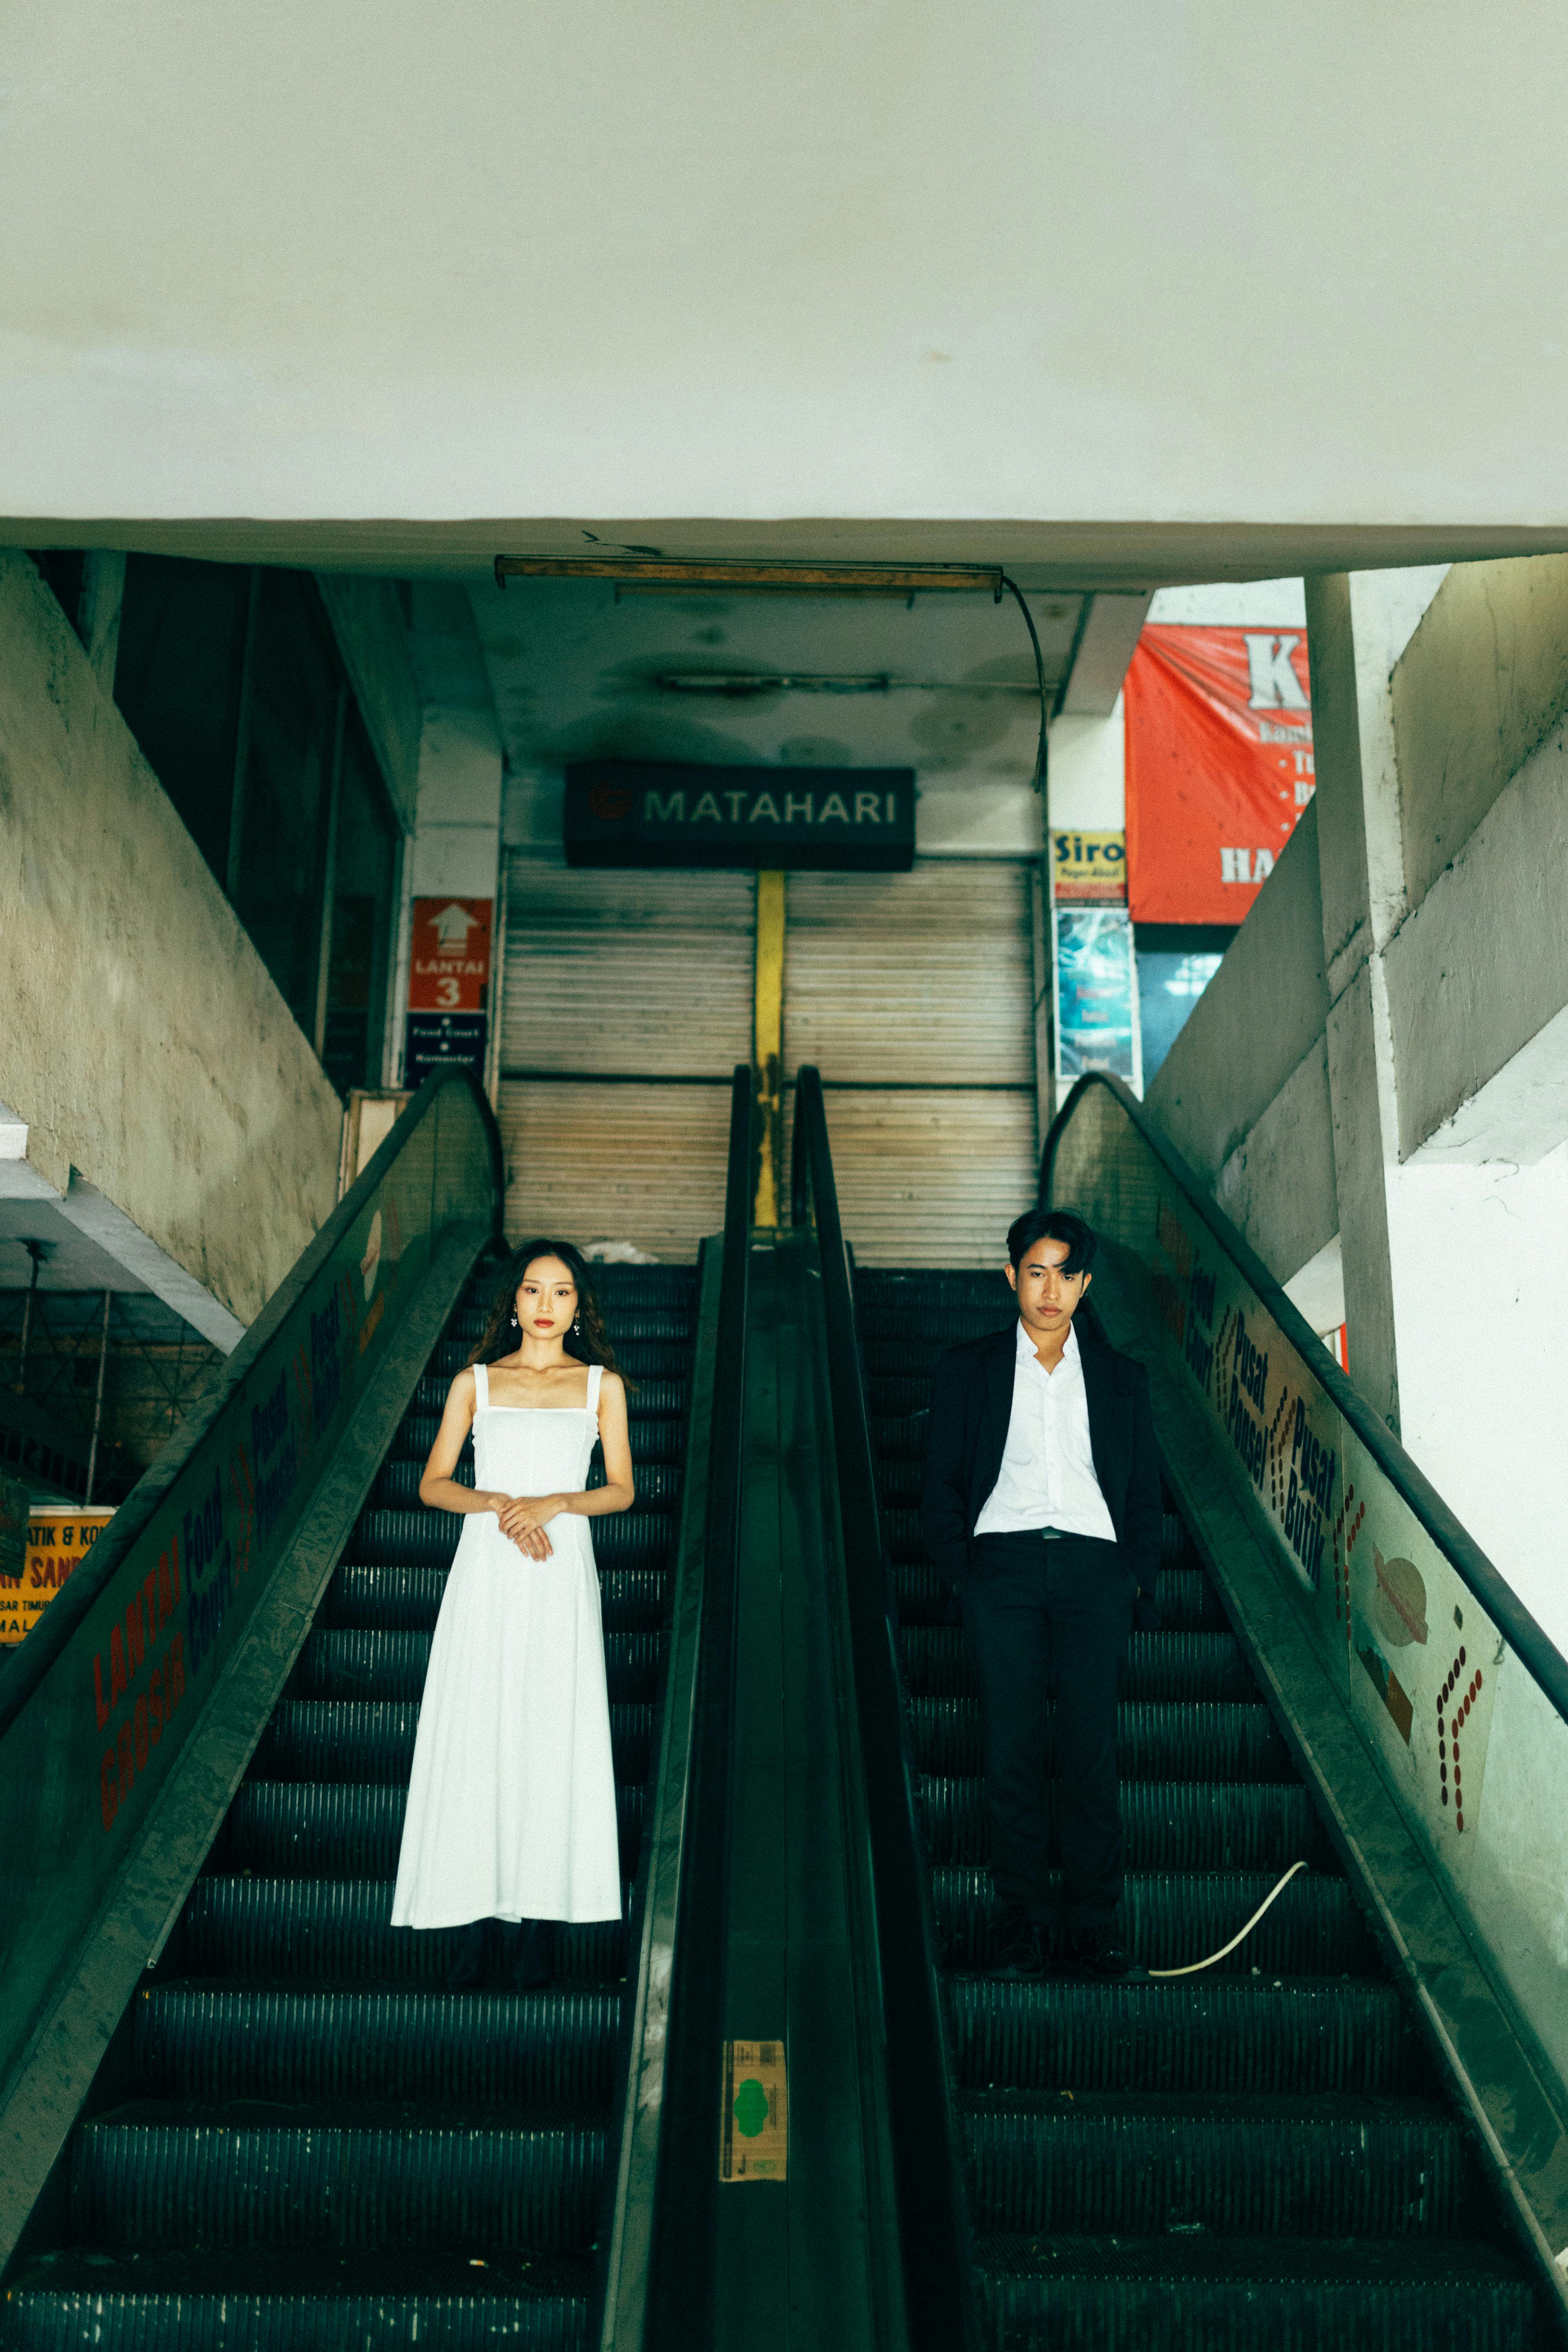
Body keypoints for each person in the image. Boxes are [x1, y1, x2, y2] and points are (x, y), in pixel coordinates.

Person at [920, 1207, 1162, 1981]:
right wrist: (965, 1578)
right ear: (1011, 1278)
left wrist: (1133, 1577)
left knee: (1090, 1751)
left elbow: (1144, 1492)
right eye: (1035, 1272)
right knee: (1013, 1750)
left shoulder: (1121, 1378)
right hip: (1003, 1570)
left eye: (1065, 1274)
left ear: (1085, 1285)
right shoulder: (969, 1369)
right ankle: (1022, 1926)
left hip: (1095, 1569)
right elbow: (939, 1487)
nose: (1050, 1290)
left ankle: (1095, 1926)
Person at [391, 1239, 633, 1988]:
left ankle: (540, 1929)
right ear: (515, 1301)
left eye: (562, 1292)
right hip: (489, 1571)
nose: (545, 1305)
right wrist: (498, 1502)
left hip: (558, 1572)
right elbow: (434, 1483)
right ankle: (471, 1923)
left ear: (579, 1306)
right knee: (480, 1734)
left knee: (551, 1738)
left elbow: (622, 1489)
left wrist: (554, 1502)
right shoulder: (476, 1383)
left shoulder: (601, 1387)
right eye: (533, 1290)